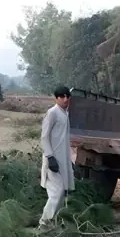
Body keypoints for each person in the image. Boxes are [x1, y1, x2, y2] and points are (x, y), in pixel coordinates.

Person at [39, 86, 75, 228]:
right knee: (56, 192)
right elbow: (44, 137)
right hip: (53, 159)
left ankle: (54, 222)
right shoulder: (52, 113)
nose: (66, 99)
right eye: (62, 96)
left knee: (63, 192)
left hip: (63, 159)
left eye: (68, 96)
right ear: (56, 98)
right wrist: (50, 156)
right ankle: (44, 222)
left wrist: (70, 160)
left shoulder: (65, 114)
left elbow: (64, 140)